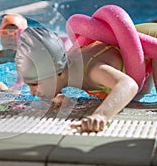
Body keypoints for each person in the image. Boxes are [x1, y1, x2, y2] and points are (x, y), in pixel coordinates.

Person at [15, 27, 157, 133]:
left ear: (59, 73)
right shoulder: (65, 70)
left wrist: (101, 115)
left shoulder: (91, 69)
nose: (32, 93)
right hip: (140, 57)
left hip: (152, 42)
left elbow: (128, 85)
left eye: (35, 84)